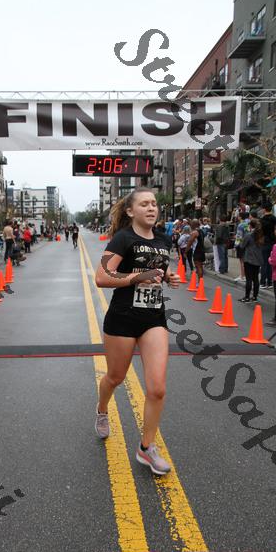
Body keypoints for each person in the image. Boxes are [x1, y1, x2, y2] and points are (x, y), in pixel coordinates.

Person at [94, 187, 180, 475]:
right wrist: (137, 277)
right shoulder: (122, 238)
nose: (151, 208)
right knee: (115, 377)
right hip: (122, 318)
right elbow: (102, 277)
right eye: (144, 204)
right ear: (131, 211)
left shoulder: (163, 239)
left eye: (154, 203)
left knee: (157, 388)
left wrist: (167, 277)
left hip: (153, 318)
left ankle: (146, 447)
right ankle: (102, 409)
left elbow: (157, 270)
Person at [238, 218, 264, 303]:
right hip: (258, 259)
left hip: (249, 259)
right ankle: (255, 297)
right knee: (255, 278)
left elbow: (242, 245)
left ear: (250, 226)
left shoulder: (249, 235)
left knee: (249, 279)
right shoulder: (261, 236)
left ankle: (247, 297)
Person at [260, 201, 276, 289]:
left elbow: (259, 232)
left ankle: (263, 282)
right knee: (271, 262)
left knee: (264, 262)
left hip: (264, 242)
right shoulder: (275, 220)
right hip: (274, 243)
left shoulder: (262, 220)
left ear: (264, 209)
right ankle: (270, 282)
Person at [234, 212, 250, 282]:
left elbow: (239, 236)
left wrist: (236, 245)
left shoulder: (240, 225)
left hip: (241, 244)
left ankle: (242, 276)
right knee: (245, 261)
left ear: (240, 217)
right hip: (247, 244)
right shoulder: (247, 224)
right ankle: (245, 275)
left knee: (241, 261)